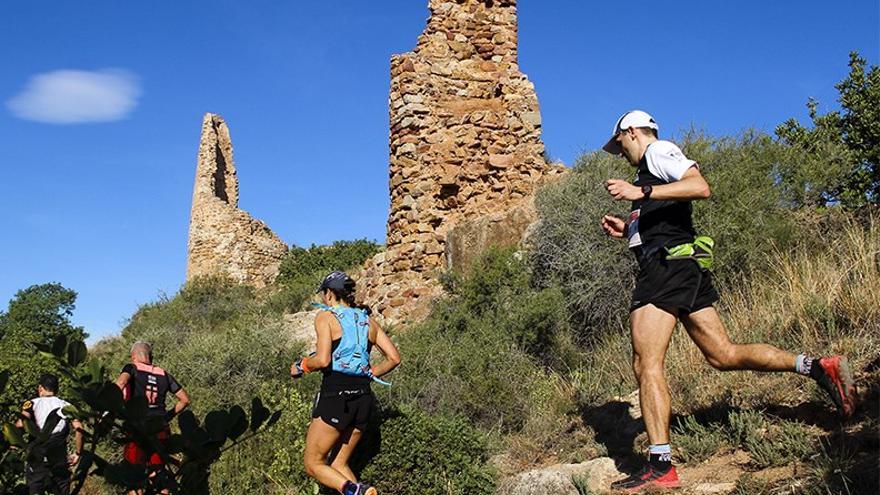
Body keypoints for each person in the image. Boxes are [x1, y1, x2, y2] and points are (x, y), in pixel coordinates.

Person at [599, 110, 857, 492]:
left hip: (666, 269)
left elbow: (700, 186)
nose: (619, 152)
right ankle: (818, 366)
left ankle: (660, 464)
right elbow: (670, 213)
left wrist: (643, 193)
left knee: (646, 362)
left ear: (632, 132)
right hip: (679, 265)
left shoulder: (658, 152)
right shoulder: (649, 170)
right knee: (723, 354)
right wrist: (631, 229)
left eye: (619, 144)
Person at [291, 271, 401, 495]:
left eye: (324, 293)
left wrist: (302, 365)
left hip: (336, 396)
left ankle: (355, 490)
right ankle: (360, 491)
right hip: (363, 399)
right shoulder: (367, 321)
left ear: (330, 293)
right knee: (339, 464)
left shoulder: (326, 317)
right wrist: (370, 372)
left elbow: (323, 360)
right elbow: (394, 358)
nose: (323, 298)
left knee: (313, 463)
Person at [115, 341, 190, 495]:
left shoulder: (132, 368)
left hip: (138, 428)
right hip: (159, 428)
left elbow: (121, 382)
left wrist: (108, 406)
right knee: (158, 475)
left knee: (135, 477)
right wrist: (167, 417)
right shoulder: (164, 374)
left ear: (133, 356)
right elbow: (185, 400)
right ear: (150, 356)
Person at [16, 373, 84, 495]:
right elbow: (79, 428)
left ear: (40, 388)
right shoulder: (66, 405)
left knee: (34, 490)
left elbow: (20, 424)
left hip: (37, 455)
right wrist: (78, 452)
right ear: (57, 389)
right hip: (58, 455)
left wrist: (15, 444)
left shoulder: (31, 403)